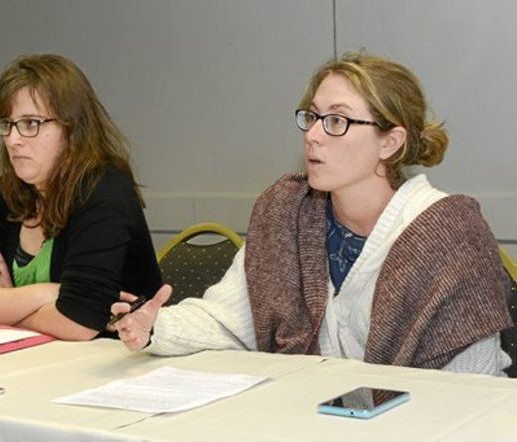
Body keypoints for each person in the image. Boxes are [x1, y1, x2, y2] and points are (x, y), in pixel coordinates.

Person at [112, 51, 513, 375]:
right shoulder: (286, 212)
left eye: (336, 120)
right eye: (312, 116)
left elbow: (470, 381)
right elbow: (231, 321)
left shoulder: (447, 233)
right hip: (310, 418)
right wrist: (156, 326)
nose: (313, 134)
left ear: (390, 142)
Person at [0, 54, 161, 341]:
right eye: (7, 124)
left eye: (30, 123)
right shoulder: (0, 196)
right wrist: (46, 294)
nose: (13, 139)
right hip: (31, 360)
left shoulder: (104, 191)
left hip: (115, 359)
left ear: (72, 129)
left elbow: (79, 321)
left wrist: (2, 305)